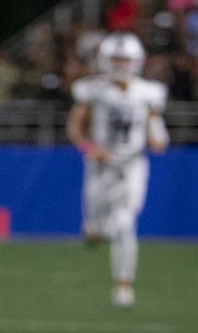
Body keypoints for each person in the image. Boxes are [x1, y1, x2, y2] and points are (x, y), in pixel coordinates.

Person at [67, 31, 168, 307]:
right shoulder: (93, 90)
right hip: (100, 166)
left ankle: (123, 286)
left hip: (132, 163)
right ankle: (94, 229)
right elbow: (75, 128)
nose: (121, 65)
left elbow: (155, 122)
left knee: (125, 223)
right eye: (117, 59)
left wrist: (158, 135)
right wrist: (90, 149)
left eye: (126, 60)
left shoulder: (149, 92)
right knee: (98, 229)